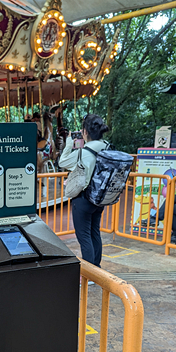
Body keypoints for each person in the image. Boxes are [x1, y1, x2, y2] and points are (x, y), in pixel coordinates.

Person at [59, 114, 110, 267]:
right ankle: (97, 270)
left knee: (84, 237)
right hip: (99, 198)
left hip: (83, 199)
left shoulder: (83, 153)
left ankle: (89, 273)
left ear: (85, 132)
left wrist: (69, 143)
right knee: (94, 232)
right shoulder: (107, 147)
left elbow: (62, 162)